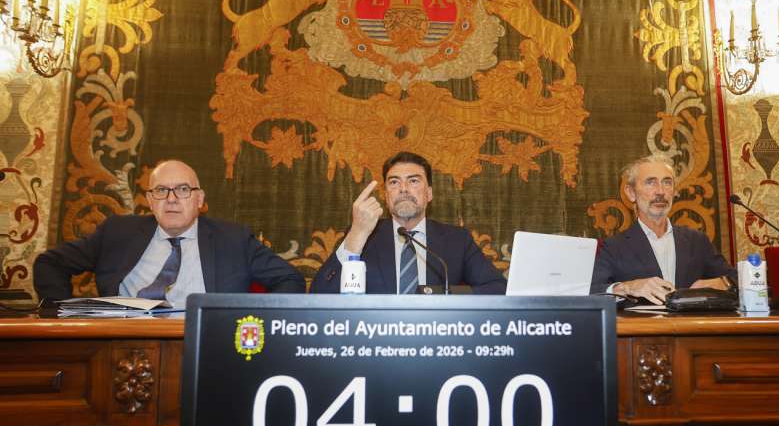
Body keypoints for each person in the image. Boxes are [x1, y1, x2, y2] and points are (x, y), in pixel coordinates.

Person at [34, 160, 305, 306]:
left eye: (183, 190)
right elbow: (49, 263)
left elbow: (290, 279)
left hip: (204, 349)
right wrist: (64, 313)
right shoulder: (116, 232)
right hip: (121, 346)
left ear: (199, 200)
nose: (172, 199)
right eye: (161, 191)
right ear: (150, 201)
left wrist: (253, 323)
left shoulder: (233, 240)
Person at [311, 152, 507, 294]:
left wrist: (443, 296)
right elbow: (320, 294)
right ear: (385, 196)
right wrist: (356, 236)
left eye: (413, 181)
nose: (403, 189)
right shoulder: (363, 236)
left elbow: (497, 289)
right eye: (394, 182)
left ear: (429, 193)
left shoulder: (457, 240)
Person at [590, 154, 736, 304]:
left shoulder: (697, 241)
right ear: (631, 193)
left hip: (691, 326)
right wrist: (628, 287)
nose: (660, 191)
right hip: (643, 327)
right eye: (650, 182)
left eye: (667, 182)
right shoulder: (613, 247)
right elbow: (592, 291)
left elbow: (738, 279)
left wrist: (723, 282)